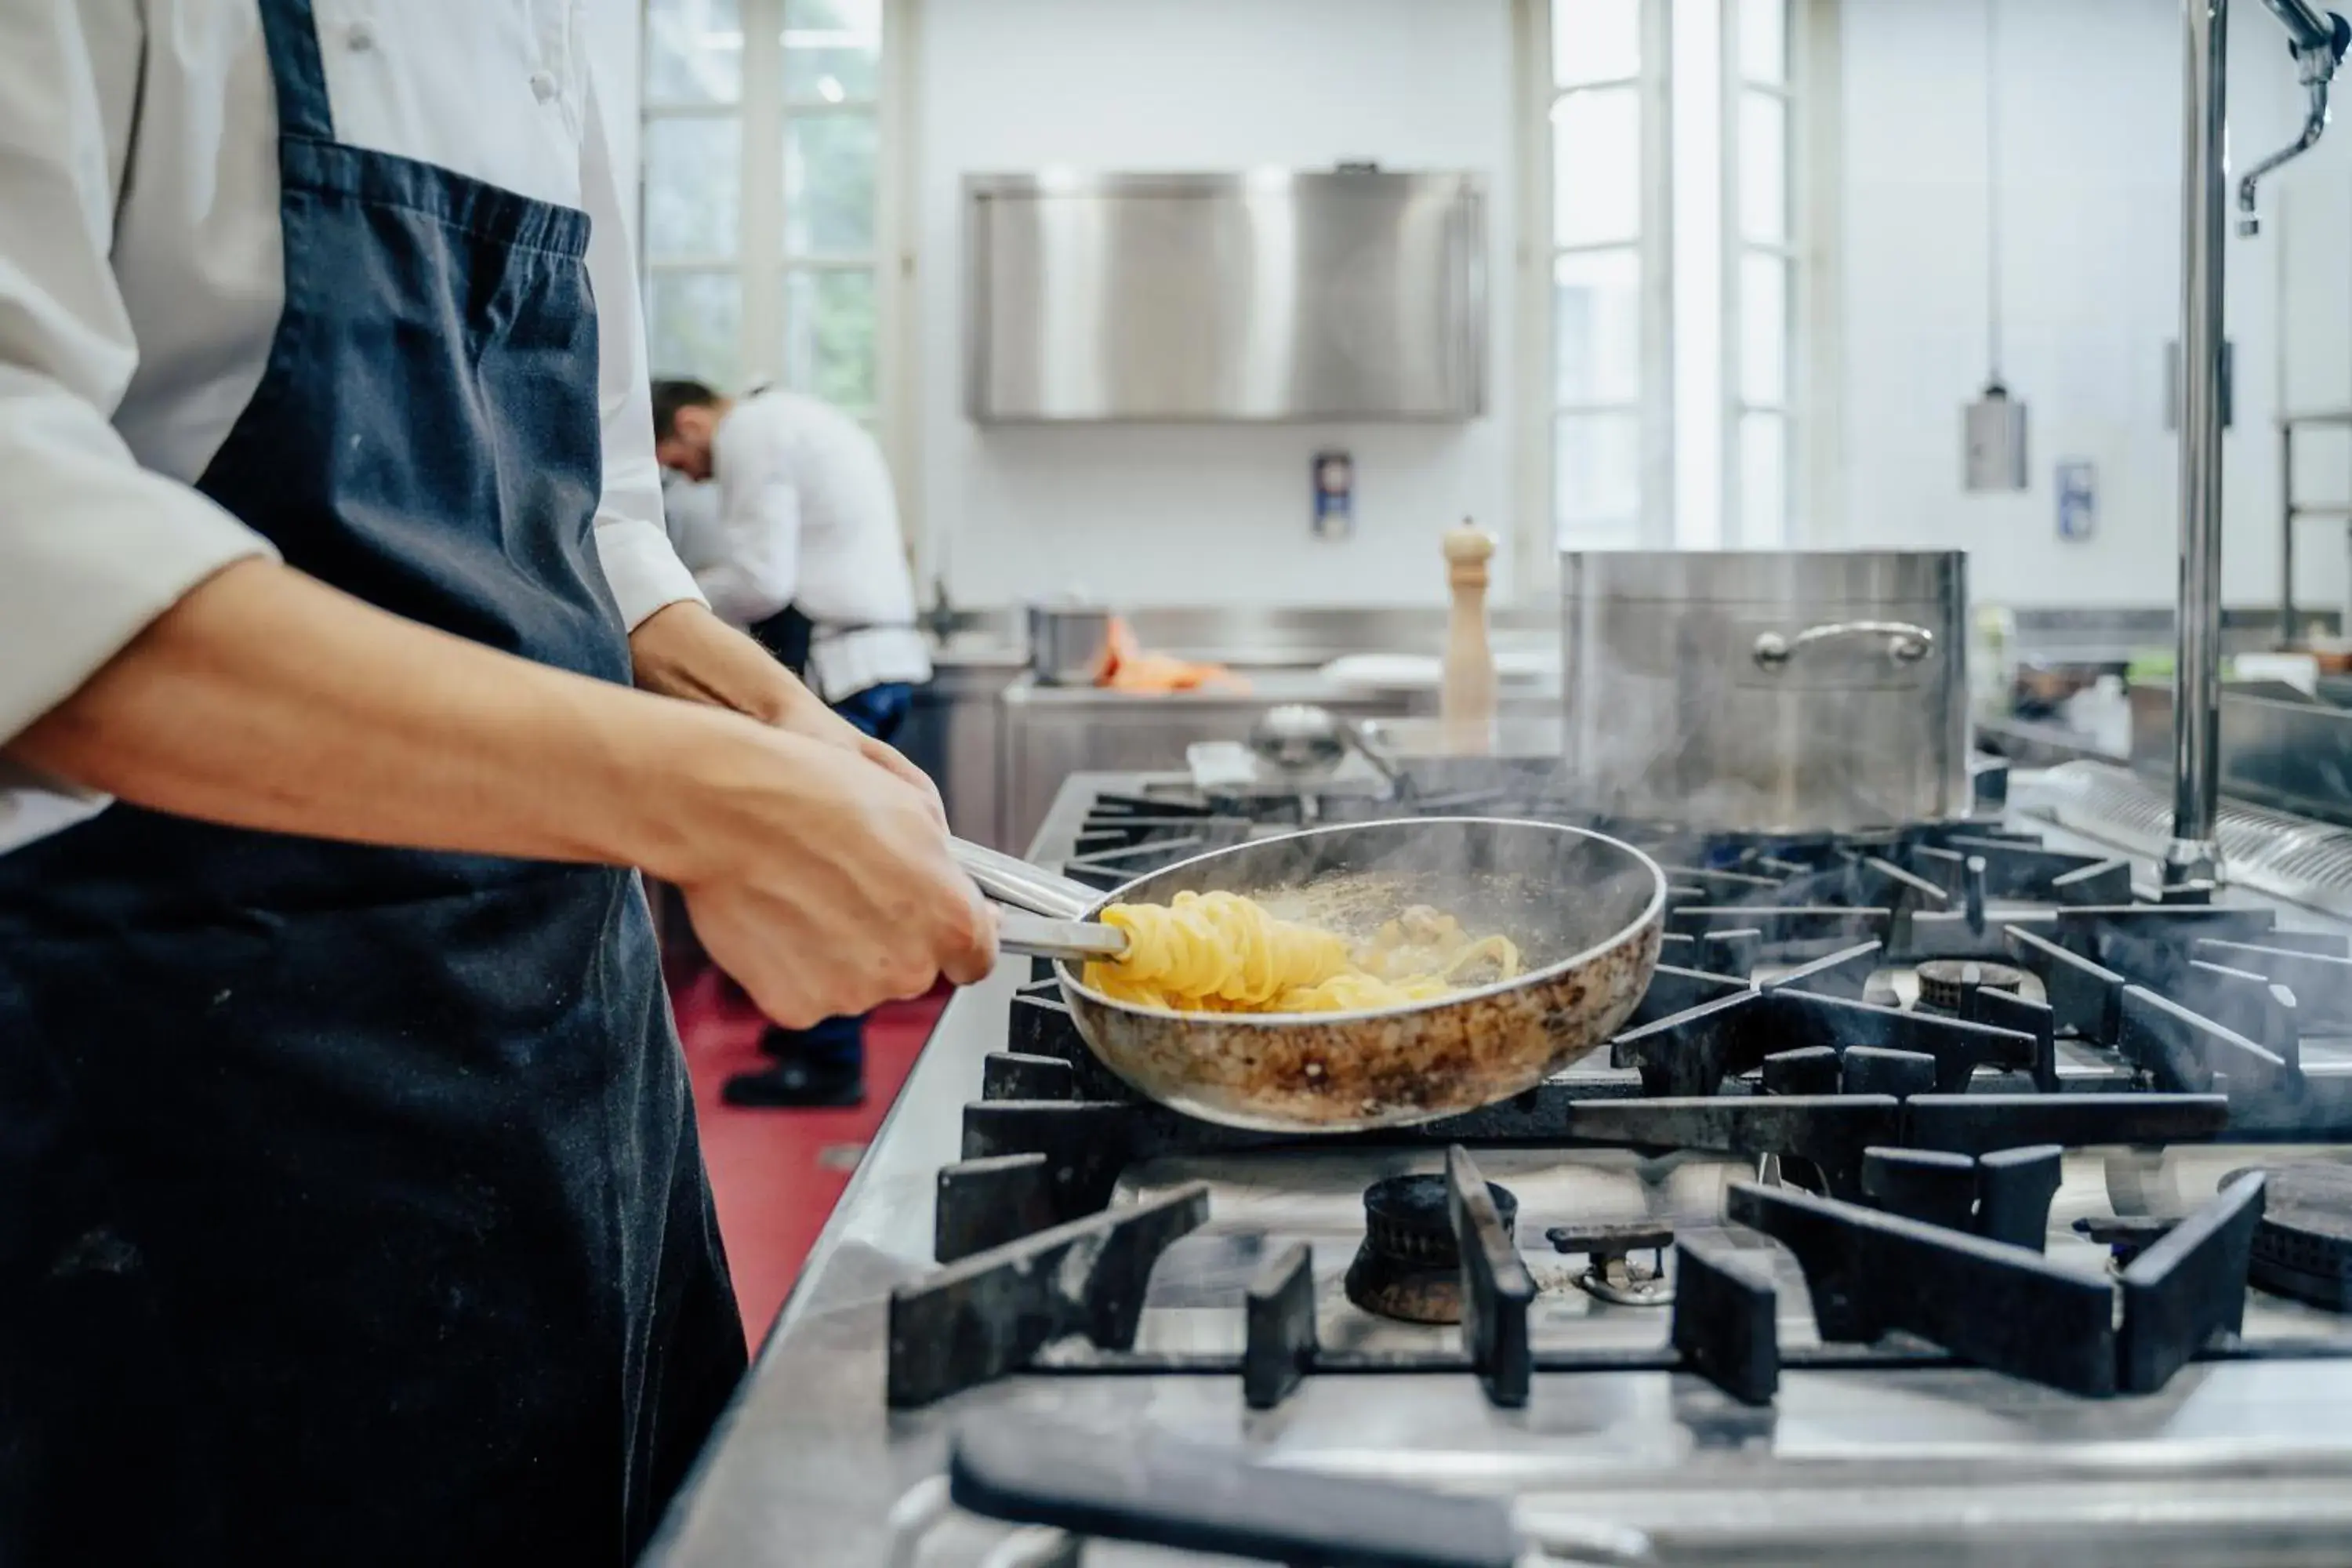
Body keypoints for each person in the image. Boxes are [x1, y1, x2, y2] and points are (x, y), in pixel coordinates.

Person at [0, 5, 995, 1567]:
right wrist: (705, 801)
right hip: (202, 1090)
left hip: (570, 1061)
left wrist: (776, 727)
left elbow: (595, 528)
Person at [651, 379, 936, 1109]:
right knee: (833, 854)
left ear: (690, 420)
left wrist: (653, 600)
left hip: (846, 670)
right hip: (872, 661)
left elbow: (761, 581)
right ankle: (810, 1030)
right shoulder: (797, 418)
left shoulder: (751, 433)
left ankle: (829, 1063)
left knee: (823, 866)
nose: (687, 476)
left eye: (678, 460)